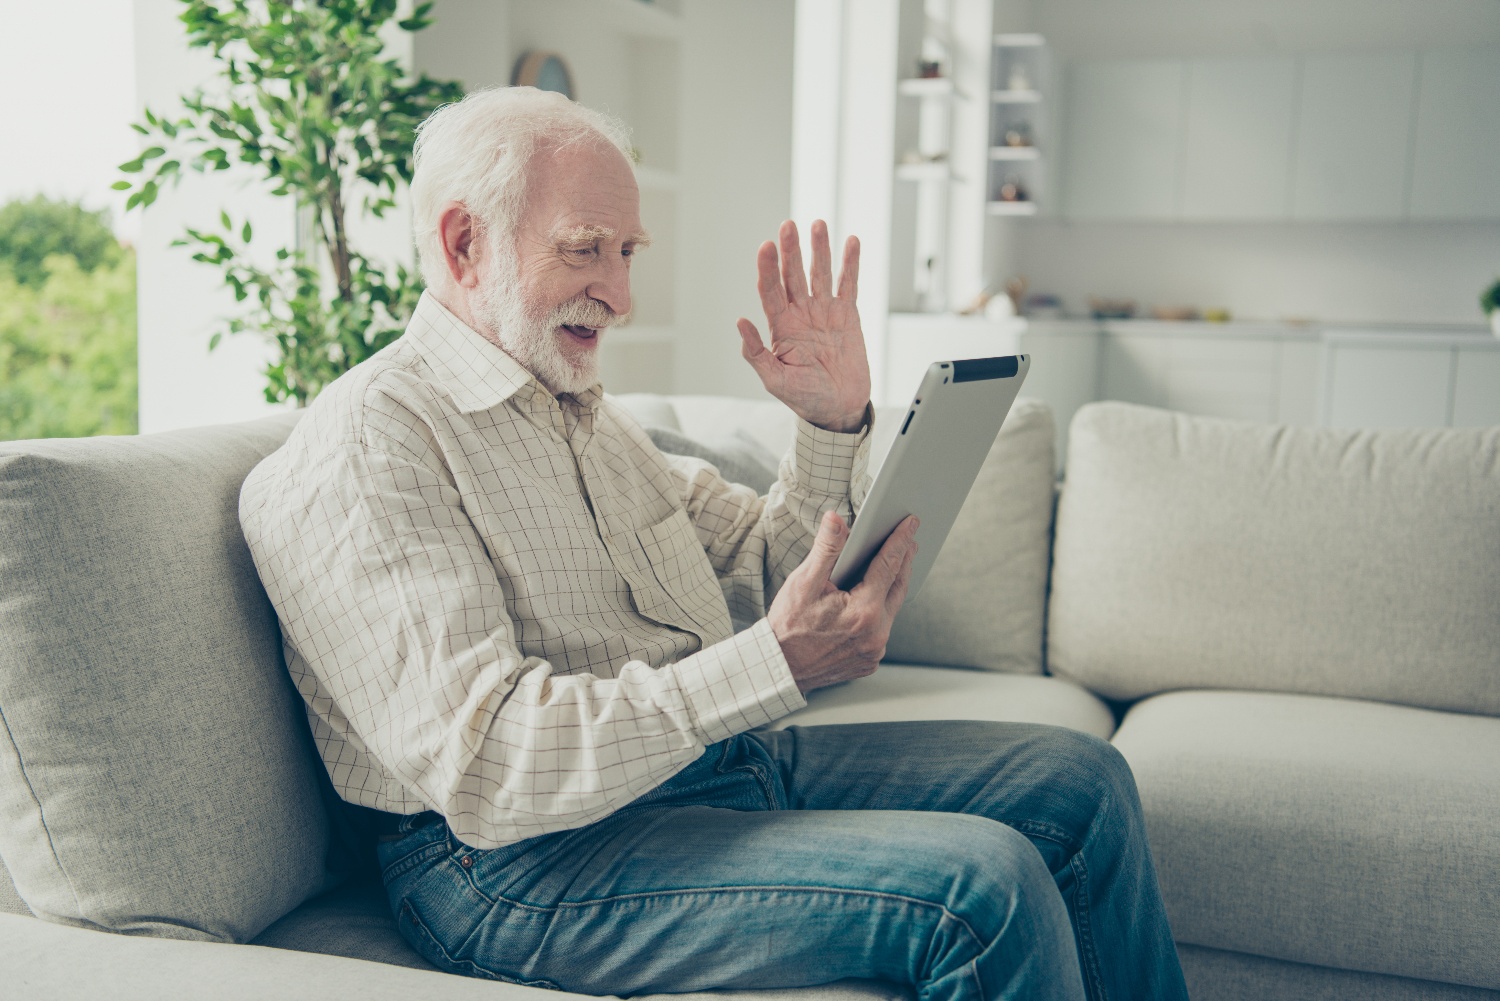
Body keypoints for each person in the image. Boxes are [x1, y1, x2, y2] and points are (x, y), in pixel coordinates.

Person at [239, 86, 1189, 1001]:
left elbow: (761, 570)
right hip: (513, 866)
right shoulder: (376, 440)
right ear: (464, 241)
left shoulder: (577, 412)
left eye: (626, 252)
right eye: (584, 251)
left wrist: (831, 422)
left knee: (1081, 780)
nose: (618, 293)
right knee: (983, 889)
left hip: (695, 772)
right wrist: (768, 665)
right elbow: (489, 766)